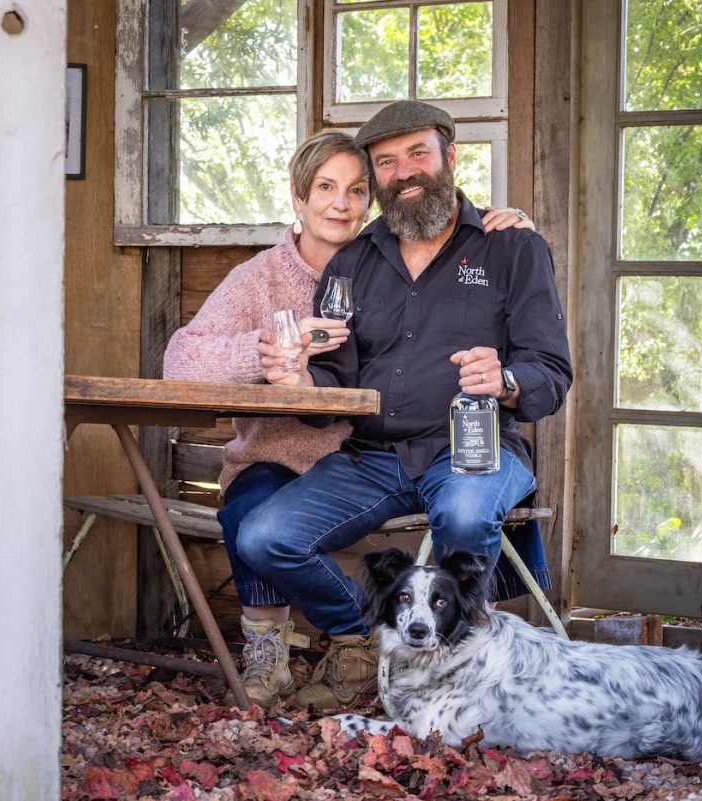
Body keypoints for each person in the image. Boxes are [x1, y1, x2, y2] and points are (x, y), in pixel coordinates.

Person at [162, 130, 532, 708]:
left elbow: (449, 220)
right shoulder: (267, 276)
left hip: (378, 449)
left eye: (356, 190)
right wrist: (269, 354)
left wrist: (496, 221)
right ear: (298, 198)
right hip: (294, 451)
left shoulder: (386, 256)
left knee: (462, 505)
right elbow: (182, 360)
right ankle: (322, 642)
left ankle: (444, 671)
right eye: (325, 189)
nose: (341, 203)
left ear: (374, 197)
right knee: (255, 512)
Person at [245, 100, 573, 711]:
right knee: (264, 536)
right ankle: (366, 641)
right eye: (388, 162)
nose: (406, 170)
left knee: (469, 518)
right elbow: (333, 380)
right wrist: (298, 380)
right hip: (372, 458)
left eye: (418, 153)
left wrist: (504, 379)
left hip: (473, 447)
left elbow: (551, 373)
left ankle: (462, 681)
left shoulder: (512, 249)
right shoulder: (352, 263)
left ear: (450, 157)